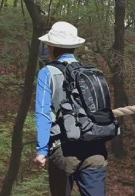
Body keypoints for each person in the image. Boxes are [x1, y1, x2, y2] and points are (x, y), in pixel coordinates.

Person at [34, 21, 108, 196]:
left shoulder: (48, 72)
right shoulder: (92, 72)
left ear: (51, 47)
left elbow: (43, 113)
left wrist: (42, 151)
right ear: (74, 47)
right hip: (95, 148)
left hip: (64, 150)